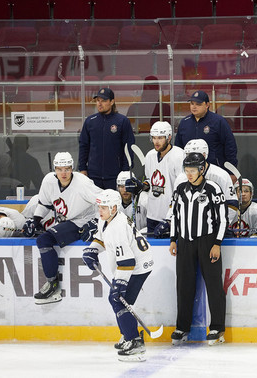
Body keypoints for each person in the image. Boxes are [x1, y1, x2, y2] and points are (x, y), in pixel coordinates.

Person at [81, 189, 153, 362]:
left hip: (138, 267)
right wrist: (92, 250)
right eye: (99, 207)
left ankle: (134, 341)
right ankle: (127, 335)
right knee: (117, 299)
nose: (100, 210)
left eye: (104, 207)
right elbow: (100, 238)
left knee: (119, 300)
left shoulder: (118, 227)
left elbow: (127, 262)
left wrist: (119, 284)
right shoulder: (107, 219)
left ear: (114, 208)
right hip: (131, 265)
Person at [22, 152, 102, 305]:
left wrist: (96, 222)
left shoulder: (83, 183)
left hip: (82, 220)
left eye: (67, 169)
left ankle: (52, 285)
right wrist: (35, 220)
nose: (63, 173)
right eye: (59, 169)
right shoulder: (49, 181)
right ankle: (52, 284)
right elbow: (45, 204)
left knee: (44, 240)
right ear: (54, 169)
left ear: (72, 168)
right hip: (66, 221)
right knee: (43, 238)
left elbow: (106, 199)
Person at [169, 152, 227, 346]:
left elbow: (222, 218)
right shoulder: (180, 189)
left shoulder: (212, 188)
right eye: (186, 170)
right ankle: (182, 327)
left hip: (208, 241)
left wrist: (217, 243)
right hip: (184, 242)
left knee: (214, 286)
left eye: (193, 170)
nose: (189, 174)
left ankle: (217, 327)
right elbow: (174, 216)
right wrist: (173, 239)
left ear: (202, 169)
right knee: (183, 285)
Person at [126, 121, 185, 237]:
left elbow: (182, 189)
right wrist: (140, 186)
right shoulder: (150, 156)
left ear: (169, 137)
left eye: (160, 138)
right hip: (152, 215)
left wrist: (170, 219)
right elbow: (150, 181)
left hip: (171, 216)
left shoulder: (179, 155)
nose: (156, 142)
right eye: (154, 138)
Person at [170, 139, 238, 228]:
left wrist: (219, 225)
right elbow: (174, 204)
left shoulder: (221, 175)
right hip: (188, 230)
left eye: (193, 155)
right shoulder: (181, 178)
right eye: (187, 155)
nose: (189, 159)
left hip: (215, 229)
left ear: (204, 155)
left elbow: (232, 205)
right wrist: (169, 222)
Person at [78, 88, 135, 190]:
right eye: (98, 100)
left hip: (115, 176)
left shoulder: (122, 121)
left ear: (112, 102)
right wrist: (82, 168)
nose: (100, 104)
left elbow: (128, 147)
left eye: (104, 101)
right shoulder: (90, 121)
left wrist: (125, 172)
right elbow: (83, 146)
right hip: (93, 176)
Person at [174, 90, 238, 174]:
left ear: (207, 105)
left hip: (215, 170)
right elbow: (178, 148)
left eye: (198, 104)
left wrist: (232, 172)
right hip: (190, 172)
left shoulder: (218, 121)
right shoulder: (184, 123)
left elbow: (230, 147)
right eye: (192, 103)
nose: (194, 107)